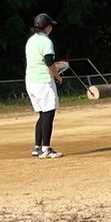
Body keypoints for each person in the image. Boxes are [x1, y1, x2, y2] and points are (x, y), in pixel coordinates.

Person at [25, 13, 66, 158]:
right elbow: (49, 62)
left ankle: (37, 147)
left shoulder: (31, 40)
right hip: (43, 81)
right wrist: (58, 76)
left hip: (31, 81)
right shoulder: (46, 42)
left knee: (42, 114)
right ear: (48, 27)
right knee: (49, 113)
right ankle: (46, 148)